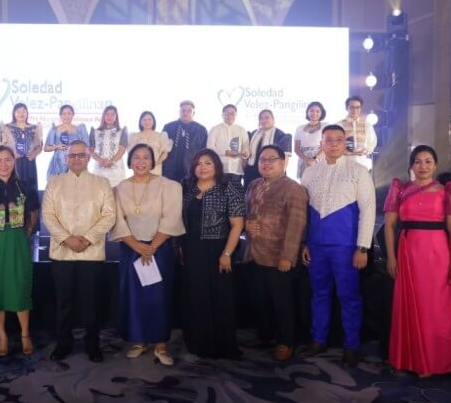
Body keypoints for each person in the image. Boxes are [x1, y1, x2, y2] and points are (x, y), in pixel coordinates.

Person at [383, 145, 451, 376]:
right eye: (418, 161)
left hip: (437, 255)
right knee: (407, 306)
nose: (423, 166)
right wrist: (391, 256)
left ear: (435, 165)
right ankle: (410, 360)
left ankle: (434, 362)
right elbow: (388, 226)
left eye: (428, 161)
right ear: (411, 166)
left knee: (435, 309)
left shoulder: (447, 191)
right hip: (408, 254)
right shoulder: (400, 189)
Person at [301, 125, 376, 367]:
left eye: (339, 140)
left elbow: (368, 210)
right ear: (321, 143)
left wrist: (363, 247)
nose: (333, 144)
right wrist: (305, 242)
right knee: (319, 294)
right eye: (329, 140)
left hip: (346, 246)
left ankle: (351, 345)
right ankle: (318, 338)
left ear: (346, 143)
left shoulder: (358, 171)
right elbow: (304, 212)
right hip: (316, 244)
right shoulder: (309, 173)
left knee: (349, 296)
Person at [110, 144, 184, 365]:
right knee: (134, 295)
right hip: (131, 249)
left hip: (158, 249)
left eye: (145, 157)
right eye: (136, 157)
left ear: (153, 161)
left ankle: (161, 344)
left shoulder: (168, 186)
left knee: (158, 296)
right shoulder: (120, 188)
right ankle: (138, 340)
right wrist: (136, 245)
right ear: (130, 161)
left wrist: (151, 246)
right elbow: (117, 220)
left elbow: (171, 218)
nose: (140, 161)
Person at [42, 140, 116, 362]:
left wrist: (88, 238)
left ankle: (93, 345)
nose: (76, 159)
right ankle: (63, 344)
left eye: (80, 155)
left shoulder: (102, 183)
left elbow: (109, 215)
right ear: (66, 158)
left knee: (90, 302)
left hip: (91, 252)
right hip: (62, 252)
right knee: (63, 302)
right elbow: (48, 215)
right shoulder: (54, 183)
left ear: (88, 157)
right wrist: (67, 239)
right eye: (72, 155)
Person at [244, 145, 308, 361]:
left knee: (282, 301)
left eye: (272, 159)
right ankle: (265, 335)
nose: (266, 163)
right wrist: (246, 225)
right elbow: (247, 214)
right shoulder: (253, 184)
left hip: (279, 255)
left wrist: (288, 256)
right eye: (262, 159)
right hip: (255, 252)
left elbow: (296, 225)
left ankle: (285, 341)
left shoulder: (293, 188)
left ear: (284, 162)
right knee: (259, 299)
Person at [180, 148, 245, 359]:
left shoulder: (228, 188)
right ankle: (199, 342)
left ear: (216, 166)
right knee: (196, 296)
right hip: (192, 250)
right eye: (198, 163)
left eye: (208, 163)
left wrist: (227, 253)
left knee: (220, 297)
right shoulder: (187, 189)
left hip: (219, 249)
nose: (203, 167)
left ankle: (222, 345)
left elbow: (237, 225)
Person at [0, 145, 39, 356]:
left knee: (20, 287)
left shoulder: (25, 185)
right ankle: (2, 335)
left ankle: (24, 334)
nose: (4, 164)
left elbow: (33, 217)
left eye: (8, 159)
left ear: (14, 161)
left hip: (18, 240)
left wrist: (22, 237)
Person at [0, 102, 44, 193]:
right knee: (13, 190)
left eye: (23, 111)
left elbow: (39, 146)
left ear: (27, 113)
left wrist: (34, 154)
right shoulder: (7, 127)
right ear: (14, 114)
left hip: (29, 163)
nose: (21, 114)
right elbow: (0, 146)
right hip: (12, 163)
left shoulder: (34, 127)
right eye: (18, 111)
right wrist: (10, 155)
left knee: (30, 191)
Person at [161, 100, 208, 183]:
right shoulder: (168, 127)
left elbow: (204, 154)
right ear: (179, 112)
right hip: (169, 172)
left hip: (191, 173)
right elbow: (161, 148)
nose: (185, 113)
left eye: (189, 111)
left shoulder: (201, 130)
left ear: (193, 113)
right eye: (183, 111)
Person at [207, 104, 249, 193]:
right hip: (219, 169)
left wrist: (245, 154)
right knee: (219, 197)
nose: (230, 116)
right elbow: (209, 147)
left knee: (235, 198)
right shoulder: (215, 129)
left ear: (236, 115)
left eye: (232, 113)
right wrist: (225, 152)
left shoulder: (241, 130)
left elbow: (246, 147)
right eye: (227, 113)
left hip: (236, 170)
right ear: (222, 115)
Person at [245, 109, 292, 187]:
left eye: (267, 117)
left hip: (272, 172)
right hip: (252, 172)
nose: (264, 120)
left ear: (273, 120)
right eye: (261, 118)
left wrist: (281, 173)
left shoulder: (281, 135)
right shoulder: (253, 134)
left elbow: (285, 157)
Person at [44, 104, 90, 178]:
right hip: (59, 165)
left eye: (69, 113)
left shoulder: (80, 129)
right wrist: (57, 146)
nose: (66, 116)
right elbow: (46, 148)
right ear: (60, 115)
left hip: (76, 162)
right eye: (64, 114)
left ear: (73, 115)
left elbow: (87, 148)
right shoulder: (54, 130)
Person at [89, 105, 128, 188]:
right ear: (103, 116)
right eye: (107, 114)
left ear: (116, 117)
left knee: (116, 196)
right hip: (99, 168)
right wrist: (100, 160)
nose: (109, 117)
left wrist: (111, 161)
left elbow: (122, 150)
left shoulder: (122, 131)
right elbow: (91, 151)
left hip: (116, 169)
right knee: (99, 196)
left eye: (112, 114)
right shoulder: (95, 131)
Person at [127, 111, 171, 176]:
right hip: (139, 168)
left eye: (149, 119)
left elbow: (165, 153)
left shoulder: (161, 135)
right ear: (140, 121)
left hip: (156, 169)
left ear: (153, 121)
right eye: (144, 120)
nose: (147, 122)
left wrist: (155, 163)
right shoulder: (134, 136)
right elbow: (131, 153)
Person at [338, 95, 377, 170]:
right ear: (347, 108)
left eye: (357, 107)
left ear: (360, 108)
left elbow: (372, 142)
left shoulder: (366, 124)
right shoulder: (339, 125)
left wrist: (365, 151)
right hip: (344, 162)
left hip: (361, 161)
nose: (355, 110)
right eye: (352, 107)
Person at [294, 101, 327, 180]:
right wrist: (306, 160)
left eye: (317, 111)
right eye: (311, 111)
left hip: (320, 160)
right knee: (304, 185)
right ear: (307, 112)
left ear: (321, 113)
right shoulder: (300, 128)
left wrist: (315, 159)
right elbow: (296, 149)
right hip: (304, 160)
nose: (314, 113)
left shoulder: (325, 126)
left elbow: (326, 146)